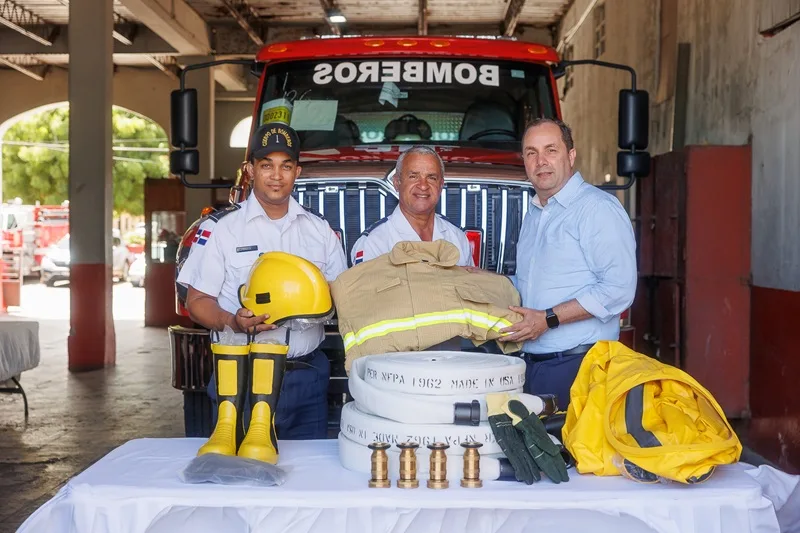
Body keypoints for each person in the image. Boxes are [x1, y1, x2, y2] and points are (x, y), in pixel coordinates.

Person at [176, 122, 348, 440]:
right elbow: (197, 301)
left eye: (285, 166)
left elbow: (344, 297)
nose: (276, 175)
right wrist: (232, 321)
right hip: (240, 380)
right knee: (239, 481)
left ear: (297, 171)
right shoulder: (222, 229)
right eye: (266, 165)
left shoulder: (320, 230)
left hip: (308, 377)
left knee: (309, 480)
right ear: (250, 170)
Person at [499, 118, 637, 411]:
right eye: (531, 153)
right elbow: (531, 286)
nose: (541, 161)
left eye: (551, 150)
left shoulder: (596, 208)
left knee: (575, 456)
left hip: (578, 367)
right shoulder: (536, 213)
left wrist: (548, 319)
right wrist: (478, 281)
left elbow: (619, 289)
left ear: (571, 156)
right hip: (534, 366)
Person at [350, 145, 474, 267]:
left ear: (441, 184)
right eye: (413, 176)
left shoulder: (457, 237)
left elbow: (472, 286)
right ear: (397, 183)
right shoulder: (373, 243)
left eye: (431, 178)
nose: (423, 186)